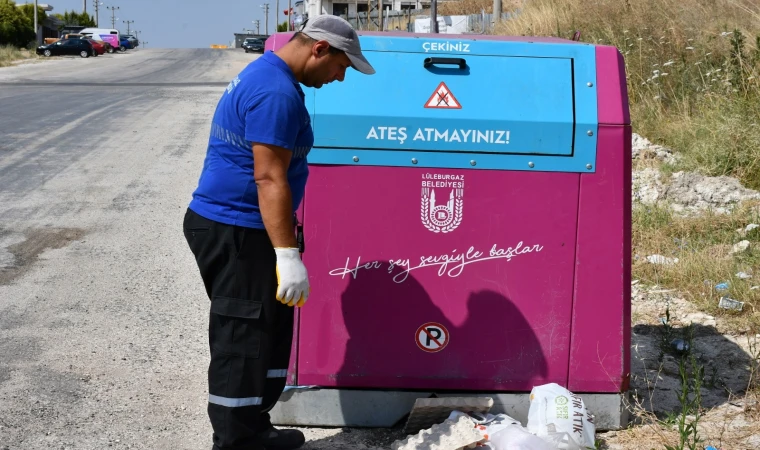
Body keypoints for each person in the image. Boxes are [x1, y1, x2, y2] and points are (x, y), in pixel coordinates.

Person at [182, 15, 375, 450]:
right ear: (319, 49)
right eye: (342, 66)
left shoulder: (270, 73)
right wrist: (287, 255)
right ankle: (235, 441)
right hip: (236, 229)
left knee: (266, 332)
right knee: (243, 337)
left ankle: (254, 428)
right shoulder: (276, 93)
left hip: (249, 228)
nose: (341, 77)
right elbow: (269, 178)